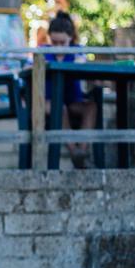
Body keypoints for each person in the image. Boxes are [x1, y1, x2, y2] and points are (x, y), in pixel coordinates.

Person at [42, 11, 98, 166]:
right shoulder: (43, 52)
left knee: (91, 107)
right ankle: (74, 151)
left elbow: (82, 63)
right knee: (60, 108)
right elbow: (30, 67)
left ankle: (83, 149)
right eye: (54, 43)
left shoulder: (77, 52)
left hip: (73, 100)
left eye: (63, 43)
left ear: (71, 39)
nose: (58, 47)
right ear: (49, 39)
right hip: (49, 100)